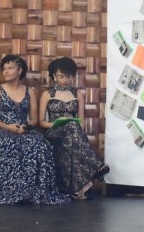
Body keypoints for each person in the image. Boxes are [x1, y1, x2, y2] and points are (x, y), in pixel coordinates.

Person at [0, 55, 70, 205]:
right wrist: (8, 127)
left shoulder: (29, 91)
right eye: (4, 68)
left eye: (10, 68)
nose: (6, 71)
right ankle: (8, 191)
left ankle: (31, 191)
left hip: (24, 130)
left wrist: (27, 126)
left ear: (19, 71)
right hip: (4, 130)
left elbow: (34, 119)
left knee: (40, 144)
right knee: (7, 144)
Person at [39, 57, 109, 200]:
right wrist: (56, 123)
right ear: (54, 76)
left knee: (72, 128)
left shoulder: (78, 95)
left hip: (72, 133)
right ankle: (96, 166)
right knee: (71, 126)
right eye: (61, 76)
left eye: (68, 76)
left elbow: (80, 121)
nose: (65, 80)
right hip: (53, 131)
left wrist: (73, 125)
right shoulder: (47, 95)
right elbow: (41, 122)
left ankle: (75, 189)